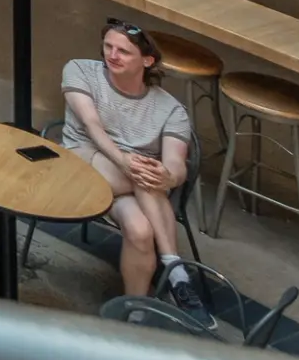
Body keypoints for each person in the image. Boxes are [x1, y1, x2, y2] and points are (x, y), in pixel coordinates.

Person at [61, 21, 201, 307]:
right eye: (108, 47)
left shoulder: (171, 110)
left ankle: (135, 312)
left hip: (131, 186)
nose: (112, 55)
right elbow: (92, 125)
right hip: (82, 161)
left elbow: (176, 164)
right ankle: (175, 268)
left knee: (140, 230)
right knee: (141, 171)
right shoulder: (80, 70)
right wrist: (123, 161)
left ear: (147, 61)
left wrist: (168, 177)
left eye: (123, 51)